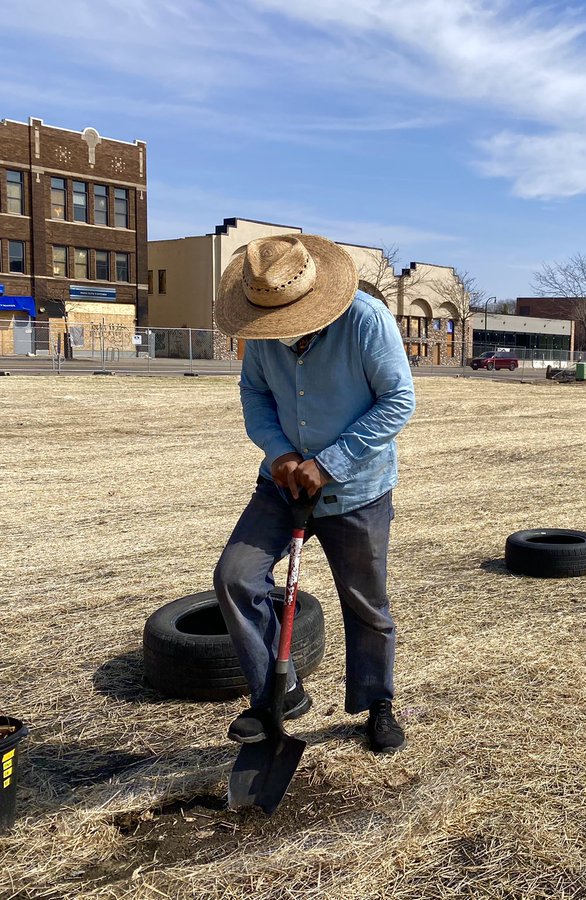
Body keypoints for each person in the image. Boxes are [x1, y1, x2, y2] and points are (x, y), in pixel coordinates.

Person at [212, 233, 414, 753]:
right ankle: (276, 693)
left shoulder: (366, 320)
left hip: (356, 490)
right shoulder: (260, 330)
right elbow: (254, 394)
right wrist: (279, 452)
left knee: (366, 604)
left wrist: (329, 463)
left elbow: (398, 401)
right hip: (280, 484)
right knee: (235, 577)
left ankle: (377, 703)